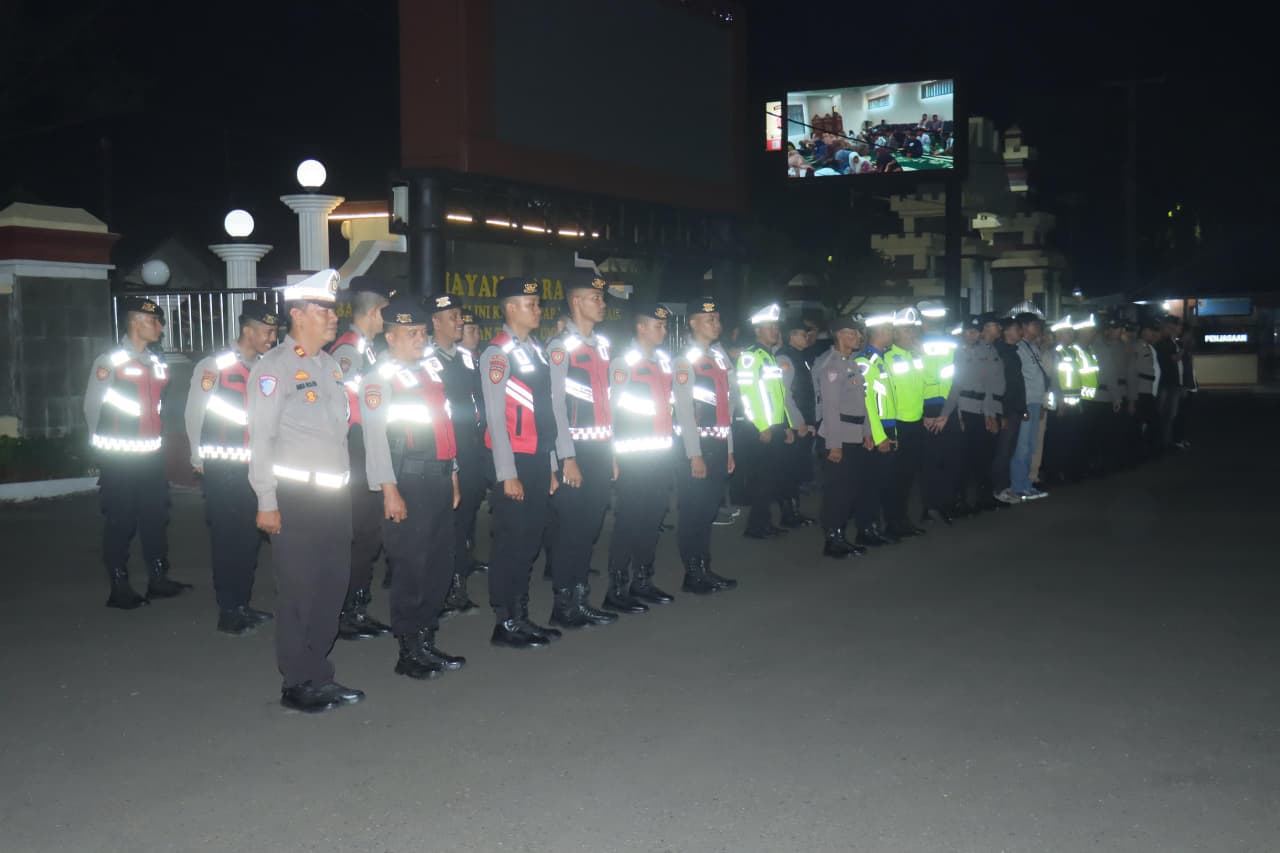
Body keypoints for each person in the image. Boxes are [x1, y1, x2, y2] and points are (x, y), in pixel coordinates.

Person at [247, 269, 364, 713]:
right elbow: (260, 439)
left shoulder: (331, 366)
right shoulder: (273, 369)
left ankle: (318, 672)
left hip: (334, 500)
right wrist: (266, 500)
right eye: (323, 310)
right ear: (298, 315)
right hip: (294, 501)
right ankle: (297, 683)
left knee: (332, 588)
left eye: (333, 310)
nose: (333, 317)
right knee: (300, 592)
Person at [360, 295, 465, 680]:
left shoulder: (430, 373)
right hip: (406, 481)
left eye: (422, 332)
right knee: (411, 567)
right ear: (390, 337)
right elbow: (374, 439)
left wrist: (452, 474)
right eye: (410, 333)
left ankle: (427, 638)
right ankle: (408, 649)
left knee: (439, 564)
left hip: (437, 477)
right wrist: (388, 489)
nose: (419, 339)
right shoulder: (378, 379)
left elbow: (445, 427)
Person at [85, 295, 190, 610]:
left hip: (151, 456)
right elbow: (92, 406)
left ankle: (158, 579)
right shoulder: (110, 361)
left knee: (155, 517)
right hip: (119, 456)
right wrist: (99, 445)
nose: (160, 326)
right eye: (153, 321)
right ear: (135, 322)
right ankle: (119, 585)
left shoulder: (156, 362)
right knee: (121, 520)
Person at [184, 299, 278, 634]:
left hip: (256, 468)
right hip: (224, 466)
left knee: (250, 539)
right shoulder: (215, 365)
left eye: (274, 331)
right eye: (267, 331)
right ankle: (229, 609)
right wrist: (197, 457)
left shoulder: (268, 366)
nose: (272, 337)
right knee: (228, 539)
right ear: (248, 330)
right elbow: (195, 412)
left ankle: (243, 602)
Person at [479, 276, 562, 648]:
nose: (538, 310)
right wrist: (506, 473)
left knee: (529, 541)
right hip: (514, 459)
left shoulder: (536, 349)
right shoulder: (497, 354)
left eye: (538, 303)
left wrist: (554, 464)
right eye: (531, 304)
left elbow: (547, 409)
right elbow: (496, 420)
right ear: (511, 308)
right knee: (512, 542)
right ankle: (506, 621)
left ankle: (521, 615)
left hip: (537, 457)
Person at [543, 271, 621, 626]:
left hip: (602, 447)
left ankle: (580, 597)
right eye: (595, 298)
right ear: (576, 302)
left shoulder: (602, 345)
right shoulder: (560, 348)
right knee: (572, 530)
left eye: (602, 298)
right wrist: (566, 457)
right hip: (575, 450)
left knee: (589, 528)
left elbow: (609, 401)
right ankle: (564, 605)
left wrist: (614, 450)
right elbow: (555, 406)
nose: (602, 303)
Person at [329, 276, 393, 640]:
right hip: (355, 447)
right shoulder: (349, 352)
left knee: (368, 535)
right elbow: (344, 408)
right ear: (375, 311)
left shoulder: (367, 349)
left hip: (365, 446)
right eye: (388, 310)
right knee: (358, 535)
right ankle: (347, 610)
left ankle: (357, 604)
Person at [606, 302, 678, 609]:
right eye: (657, 325)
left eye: (664, 325)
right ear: (641, 327)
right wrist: (612, 456)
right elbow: (609, 411)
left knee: (652, 520)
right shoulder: (624, 362)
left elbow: (669, 407)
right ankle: (617, 590)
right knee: (629, 521)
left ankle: (643, 581)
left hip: (660, 454)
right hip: (633, 456)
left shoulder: (664, 362)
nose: (663, 330)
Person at [672, 297, 740, 593]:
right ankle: (693, 572)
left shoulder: (720, 356)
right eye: (709, 320)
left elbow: (729, 406)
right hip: (696, 444)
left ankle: (704, 567)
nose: (716, 325)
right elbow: (685, 411)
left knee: (708, 510)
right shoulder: (685, 360)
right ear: (693, 323)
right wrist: (694, 454)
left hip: (718, 441)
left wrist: (729, 448)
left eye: (717, 319)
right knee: (694, 511)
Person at [426, 294, 486, 618]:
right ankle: (441, 588)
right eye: (453, 316)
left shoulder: (465, 359)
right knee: (442, 526)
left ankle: (458, 584)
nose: (460, 321)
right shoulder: (427, 361)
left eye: (460, 315)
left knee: (464, 522)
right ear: (435, 321)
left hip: (471, 451)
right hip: (444, 454)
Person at [812, 315, 875, 559]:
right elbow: (830, 409)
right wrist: (834, 446)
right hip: (838, 437)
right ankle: (833, 539)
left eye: (858, 334)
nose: (857, 337)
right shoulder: (832, 366)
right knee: (838, 491)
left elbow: (862, 402)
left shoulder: (851, 363)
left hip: (854, 435)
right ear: (839, 335)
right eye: (852, 333)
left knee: (850, 489)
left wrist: (867, 432)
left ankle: (840, 535)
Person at [736, 303, 795, 539]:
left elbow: (780, 396)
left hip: (776, 426)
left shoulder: (770, 357)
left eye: (775, 327)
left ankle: (763, 523)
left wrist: (787, 425)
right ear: (758, 330)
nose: (774, 331)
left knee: (770, 479)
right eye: (769, 327)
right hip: (762, 428)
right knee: (763, 480)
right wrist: (762, 426)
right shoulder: (751, 357)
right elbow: (748, 395)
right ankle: (756, 527)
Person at [941, 313, 1003, 512]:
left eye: (975, 332)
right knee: (962, 459)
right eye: (969, 331)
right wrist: (954, 414)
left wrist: (989, 413)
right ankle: (958, 500)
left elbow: (987, 386)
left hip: (979, 409)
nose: (972, 335)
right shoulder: (955, 352)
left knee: (981, 457)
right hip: (963, 408)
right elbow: (955, 386)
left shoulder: (982, 352)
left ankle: (982, 499)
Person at [882, 308, 928, 537]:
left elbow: (926, 384)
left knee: (908, 477)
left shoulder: (915, 356)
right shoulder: (887, 358)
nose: (911, 334)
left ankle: (903, 520)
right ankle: (892, 522)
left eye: (913, 329)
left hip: (915, 422)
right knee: (894, 478)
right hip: (898, 424)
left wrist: (923, 357)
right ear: (895, 333)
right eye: (906, 330)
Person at [853, 313, 898, 546]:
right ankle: (866, 529)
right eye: (889, 329)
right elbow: (866, 403)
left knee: (880, 483)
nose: (892, 333)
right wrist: (879, 437)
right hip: (875, 432)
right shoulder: (865, 361)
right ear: (879, 332)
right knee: (870, 484)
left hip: (887, 429)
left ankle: (873, 527)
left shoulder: (881, 359)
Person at [918, 301, 961, 523]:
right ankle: (943, 505)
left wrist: (925, 414)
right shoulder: (953, 344)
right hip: (947, 408)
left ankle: (931, 506)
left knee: (932, 461)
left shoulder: (915, 346)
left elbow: (913, 383)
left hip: (928, 410)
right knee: (947, 460)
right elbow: (957, 381)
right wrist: (946, 413)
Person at [774, 314, 816, 528]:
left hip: (804, 421)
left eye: (807, 333)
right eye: (802, 333)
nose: (807, 337)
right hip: (793, 422)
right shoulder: (785, 358)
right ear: (791, 336)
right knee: (789, 470)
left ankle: (794, 511)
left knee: (797, 468)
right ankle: (788, 513)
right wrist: (799, 422)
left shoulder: (801, 356)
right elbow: (785, 394)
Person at [1012, 311, 1051, 500]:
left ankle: (1026, 484)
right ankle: (1018, 486)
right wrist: (1023, 405)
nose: (1039, 328)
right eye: (1035, 325)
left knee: (1031, 445)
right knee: (1022, 447)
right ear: (1025, 326)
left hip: (1036, 401)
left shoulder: (1033, 347)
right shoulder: (1018, 347)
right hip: (1026, 402)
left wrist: (1042, 401)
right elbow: (1019, 380)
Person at [992, 317, 1028, 504]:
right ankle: (999, 490)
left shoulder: (1013, 352)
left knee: (1009, 450)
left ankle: (1004, 488)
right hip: (1006, 409)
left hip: (1014, 408)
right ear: (1006, 331)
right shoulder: (1002, 353)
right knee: (1003, 451)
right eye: (1016, 329)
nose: (1020, 333)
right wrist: (1004, 413)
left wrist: (1022, 407)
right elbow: (1002, 385)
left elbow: (1018, 384)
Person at [1127, 319, 1162, 459]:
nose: (1151, 333)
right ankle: (1140, 453)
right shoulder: (1137, 346)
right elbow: (1133, 370)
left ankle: (1147, 451)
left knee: (1151, 421)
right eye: (1148, 330)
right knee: (1142, 422)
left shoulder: (1147, 346)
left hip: (1148, 389)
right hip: (1140, 389)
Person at [1155, 315, 1184, 451]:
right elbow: (1174, 359)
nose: (1173, 330)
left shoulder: (1169, 342)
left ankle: (1166, 442)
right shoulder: (1165, 343)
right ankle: (1165, 443)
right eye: (1171, 327)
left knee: (1168, 415)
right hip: (1167, 382)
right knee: (1167, 415)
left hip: (1169, 382)